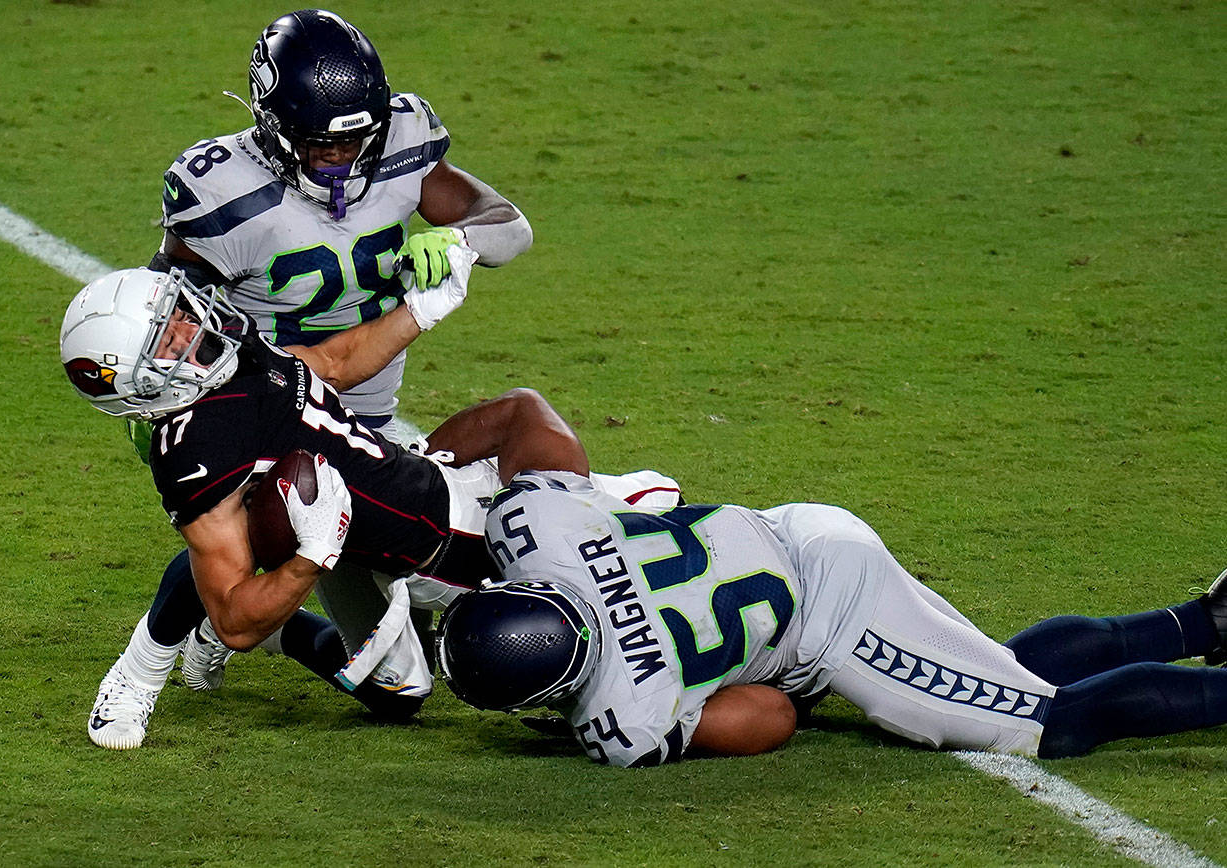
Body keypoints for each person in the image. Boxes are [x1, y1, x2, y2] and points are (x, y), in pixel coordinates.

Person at [93, 7, 538, 748]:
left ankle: (274, 632)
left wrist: (458, 240)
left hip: (368, 412)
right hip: (267, 405)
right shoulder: (221, 191)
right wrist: (159, 408)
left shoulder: (401, 141)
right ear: (270, 126)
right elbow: (160, 303)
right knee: (250, 523)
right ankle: (141, 667)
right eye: (321, 143)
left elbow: (510, 224)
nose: (342, 158)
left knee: (405, 687)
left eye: (356, 140)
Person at [60, 266, 680, 749]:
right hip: (343, 546)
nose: (194, 328)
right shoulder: (193, 452)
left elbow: (329, 364)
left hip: (424, 510)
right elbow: (235, 620)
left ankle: (292, 630)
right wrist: (312, 557)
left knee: (657, 507)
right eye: (168, 338)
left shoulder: (233, 346)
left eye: (179, 314)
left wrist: (420, 312)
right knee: (400, 674)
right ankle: (141, 670)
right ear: (142, 384)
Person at [434, 405, 1227, 766]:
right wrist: (425, 473)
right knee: (1001, 673)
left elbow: (772, 716)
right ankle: (1206, 621)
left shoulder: (620, 719)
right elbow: (521, 413)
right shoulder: (536, 531)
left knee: (1054, 726)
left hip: (836, 620)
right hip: (799, 529)